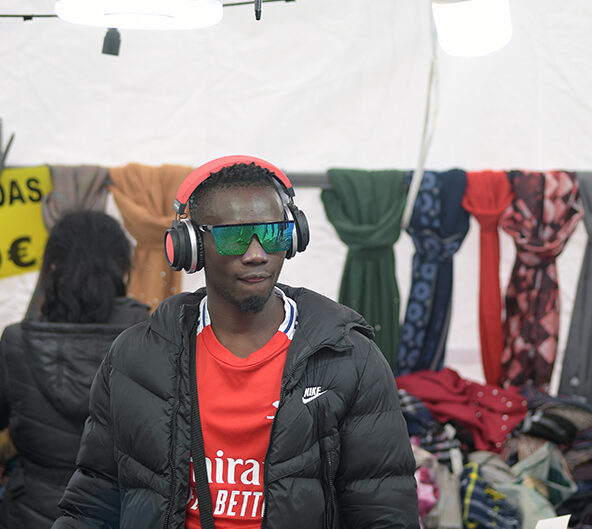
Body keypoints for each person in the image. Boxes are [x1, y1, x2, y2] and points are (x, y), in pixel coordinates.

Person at [52, 155, 419, 529]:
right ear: (192, 246)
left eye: (273, 233)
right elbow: (93, 501)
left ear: (293, 238)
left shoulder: (349, 358)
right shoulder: (136, 357)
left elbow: (384, 512)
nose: (257, 254)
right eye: (234, 237)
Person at [0, 210, 150, 529]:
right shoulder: (153, 336)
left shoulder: (18, 341)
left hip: (31, 513)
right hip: (119, 514)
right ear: (121, 269)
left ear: (53, 267)